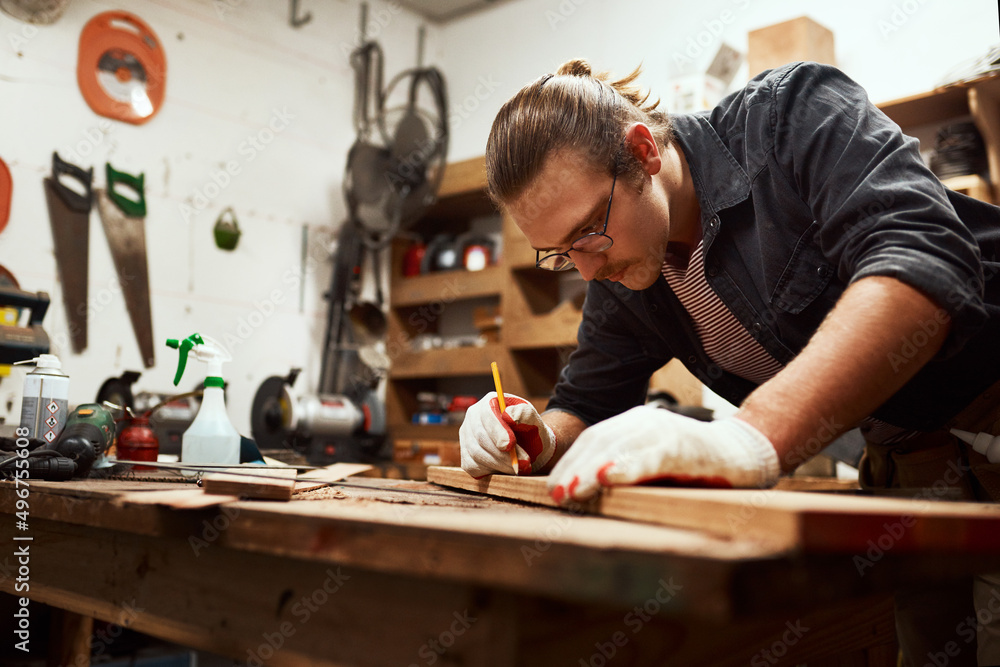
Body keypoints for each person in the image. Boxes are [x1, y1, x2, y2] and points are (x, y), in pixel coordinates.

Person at [458, 59, 1000, 665]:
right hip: (911, 463)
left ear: (642, 152)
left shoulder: (791, 115)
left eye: (587, 233)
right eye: (559, 253)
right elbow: (585, 404)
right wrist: (534, 436)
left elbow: (922, 261)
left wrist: (751, 439)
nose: (585, 269)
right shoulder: (623, 269)